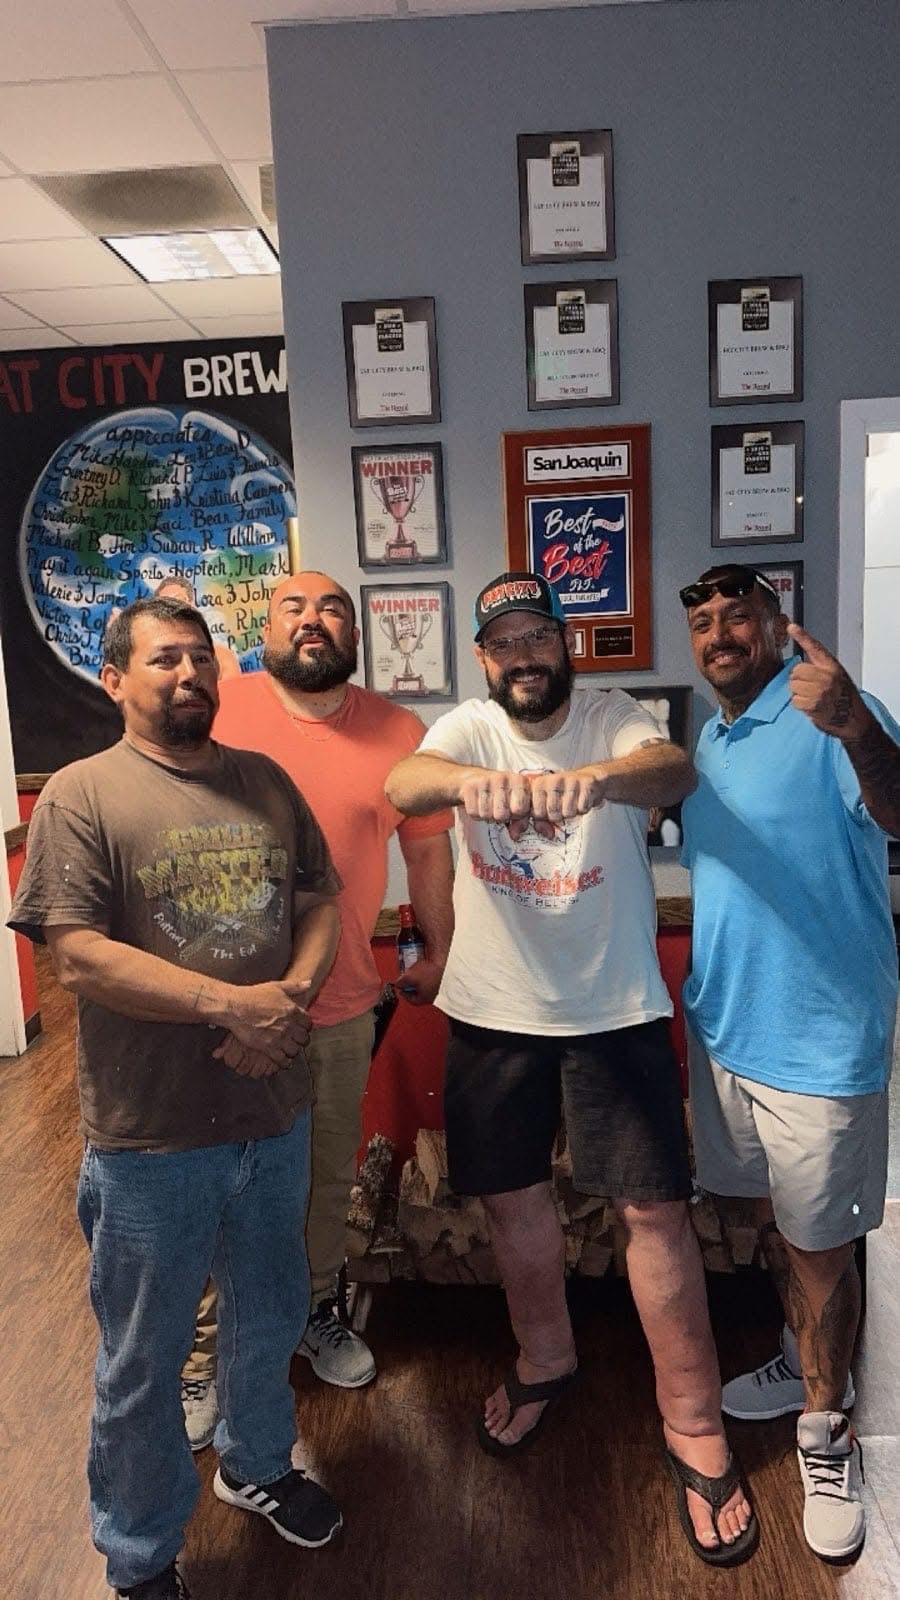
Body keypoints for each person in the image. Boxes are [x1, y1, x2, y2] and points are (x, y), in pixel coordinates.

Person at [385, 570, 759, 1567]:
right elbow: (404, 784)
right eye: (504, 643)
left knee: (654, 1214)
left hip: (614, 1005)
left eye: (538, 637)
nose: (523, 656)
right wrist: (469, 785)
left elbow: (671, 769)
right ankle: (546, 1358)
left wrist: (593, 781)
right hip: (491, 1011)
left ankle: (693, 1420)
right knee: (512, 1204)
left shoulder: (610, 714)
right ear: (484, 659)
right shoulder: (469, 726)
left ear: (566, 645)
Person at [8, 596, 345, 1600]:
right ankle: (140, 1552)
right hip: (152, 1136)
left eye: (200, 656)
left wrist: (287, 1000)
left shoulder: (265, 780)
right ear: (115, 678)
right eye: (164, 659)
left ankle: (258, 1463)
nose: (190, 673)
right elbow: (78, 954)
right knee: (146, 1357)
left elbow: (319, 900)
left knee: (270, 1308)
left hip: (272, 1112)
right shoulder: (81, 794)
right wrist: (231, 1006)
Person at [180, 569, 453, 1443]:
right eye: (292, 607)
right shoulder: (216, 708)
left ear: (355, 634)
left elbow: (429, 855)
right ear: (264, 631)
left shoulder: (400, 732)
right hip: (223, 1004)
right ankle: (202, 1355)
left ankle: (313, 1310)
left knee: (325, 1174)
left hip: (340, 1001)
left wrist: (439, 947)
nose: (312, 620)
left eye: (331, 608)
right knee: (217, 1183)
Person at [679, 562, 900, 1562]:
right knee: (775, 1221)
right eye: (705, 623)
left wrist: (857, 726)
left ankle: (827, 1430)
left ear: (777, 624)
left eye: (741, 615)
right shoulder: (711, 738)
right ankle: (802, 1358)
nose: (721, 634)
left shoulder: (834, 717)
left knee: (822, 1249)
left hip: (818, 1042)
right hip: (728, 1030)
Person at [155, 575, 241, 680]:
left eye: (179, 600)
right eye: (166, 604)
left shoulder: (222, 659)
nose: (174, 609)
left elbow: (234, 689)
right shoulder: (153, 664)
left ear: (192, 606)